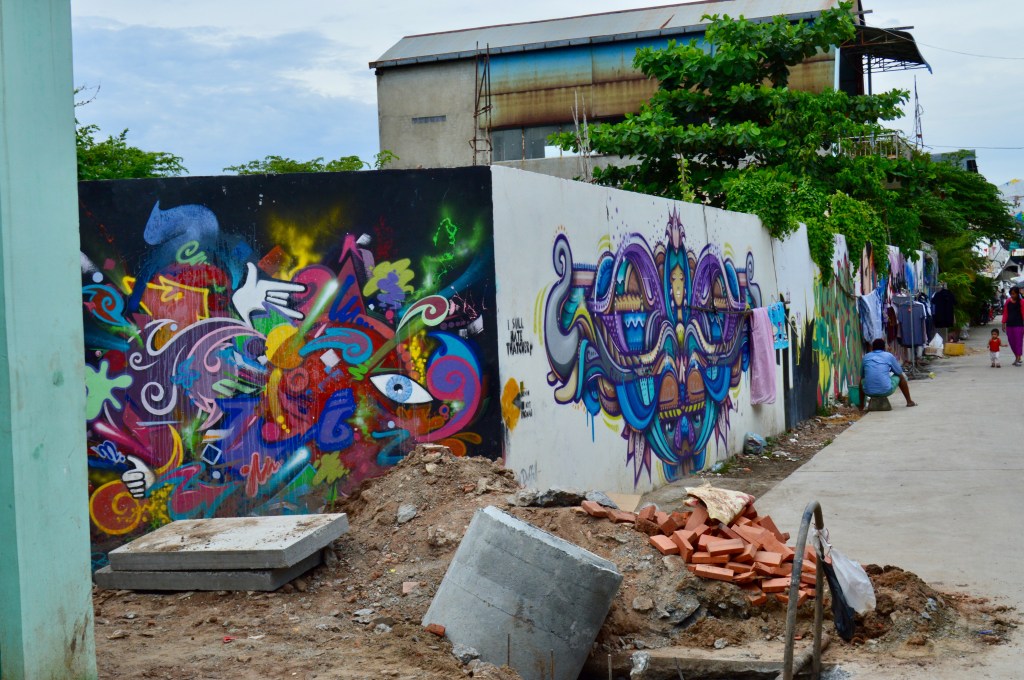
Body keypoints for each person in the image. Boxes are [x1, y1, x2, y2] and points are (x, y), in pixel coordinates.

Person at [859, 338, 917, 410]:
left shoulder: (866, 357)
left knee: (861, 381)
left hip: (868, 391)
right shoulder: (888, 356)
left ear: (872, 348)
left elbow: (862, 375)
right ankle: (909, 401)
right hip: (886, 390)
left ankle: (861, 406)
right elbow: (899, 371)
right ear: (884, 348)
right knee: (901, 377)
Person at [1002, 287, 1024, 366]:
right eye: (1011, 294)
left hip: (1019, 325)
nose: (1012, 295)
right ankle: (1017, 356)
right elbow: (1005, 313)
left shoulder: (1022, 302)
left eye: (1014, 294)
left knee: (1018, 342)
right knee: (1011, 342)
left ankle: (1017, 359)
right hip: (1010, 324)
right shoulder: (1008, 301)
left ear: (1017, 294)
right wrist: (1003, 323)